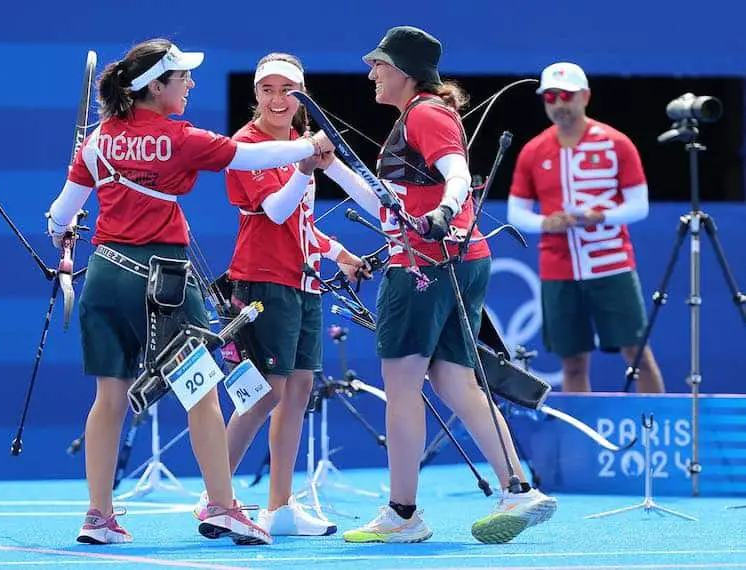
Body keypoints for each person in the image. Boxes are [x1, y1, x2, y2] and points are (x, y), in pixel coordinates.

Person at [45, 38, 334, 546]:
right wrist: (309, 148)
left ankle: (98, 515)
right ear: (156, 87)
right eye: (183, 78)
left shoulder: (98, 140)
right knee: (200, 389)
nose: (192, 84)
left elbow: (59, 217)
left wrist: (65, 232)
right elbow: (249, 155)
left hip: (105, 275)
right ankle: (223, 507)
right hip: (164, 283)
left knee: (108, 397)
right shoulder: (180, 137)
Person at [321, 26, 558, 544]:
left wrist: (448, 210)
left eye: (379, 65)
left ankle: (403, 514)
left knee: (402, 388)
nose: (371, 73)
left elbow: (456, 173)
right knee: (455, 381)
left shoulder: (426, 114)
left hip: (424, 268)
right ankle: (518, 489)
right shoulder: (417, 116)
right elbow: (393, 207)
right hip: (459, 261)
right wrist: (333, 167)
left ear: (404, 72)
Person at [191, 52, 367, 537]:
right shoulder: (245, 145)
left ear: (300, 97)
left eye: (286, 90)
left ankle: (280, 506)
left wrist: (341, 255)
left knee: (299, 391)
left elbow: (302, 224)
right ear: (255, 95)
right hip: (263, 281)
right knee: (266, 393)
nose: (276, 99)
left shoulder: (297, 145)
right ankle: (215, 497)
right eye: (267, 89)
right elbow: (272, 210)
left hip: (305, 282)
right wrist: (307, 168)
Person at [507, 61, 665, 394]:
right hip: (558, 269)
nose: (559, 104)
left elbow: (640, 206)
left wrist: (601, 217)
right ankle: (581, 444)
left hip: (611, 263)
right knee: (573, 363)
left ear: (585, 97)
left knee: (637, 355)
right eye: (551, 96)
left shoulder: (616, 143)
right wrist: (546, 223)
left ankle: (658, 437)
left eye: (567, 95)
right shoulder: (533, 151)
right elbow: (516, 213)